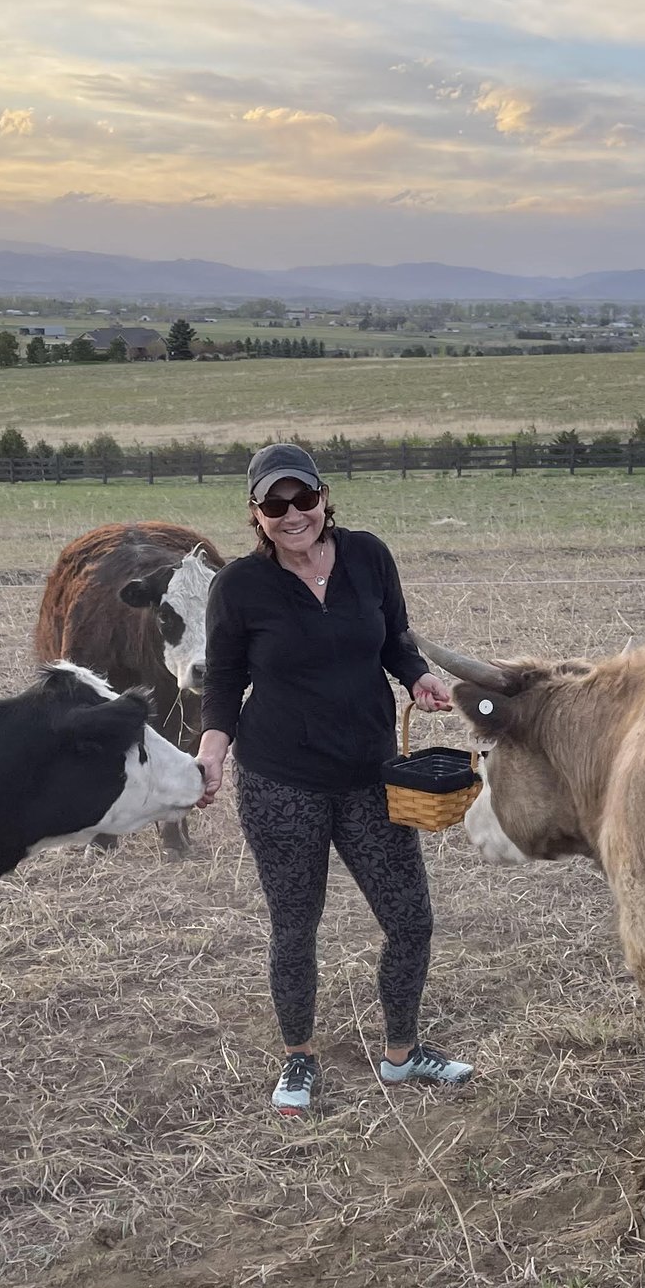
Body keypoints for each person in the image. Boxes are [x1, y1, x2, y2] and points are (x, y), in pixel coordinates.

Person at [196, 443, 474, 1115]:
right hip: (280, 782)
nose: (294, 515)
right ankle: (299, 1059)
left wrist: (419, 676)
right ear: (256, 514)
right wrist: (212, 754)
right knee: (296, 926)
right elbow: (225, 683)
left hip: (371, 775)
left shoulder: (369, 555)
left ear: (324, 496)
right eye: (275, 504)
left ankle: (403, 1055)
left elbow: (395, 639)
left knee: (411, 919)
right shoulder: (237, 587)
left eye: (303, 499)